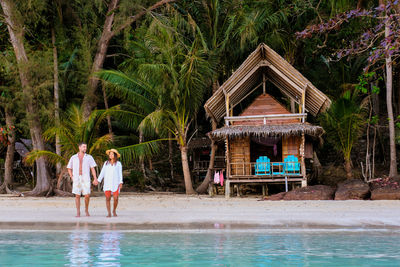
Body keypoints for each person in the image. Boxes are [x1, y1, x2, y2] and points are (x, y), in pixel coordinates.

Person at [67, 142, 98, 217]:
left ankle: (86, 210)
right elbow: (69, 168)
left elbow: (92, 168)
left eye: (86, 147)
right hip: (77, 178)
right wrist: (72, 177)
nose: (85, 148)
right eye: (84, 147)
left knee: (87, 195)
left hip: (86, 177)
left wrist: (95, 178)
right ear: (79, 147)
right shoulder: (73, 157)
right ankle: (78, 212)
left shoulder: (89, 157)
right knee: (77, 195)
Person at [97, 149, 123, 217]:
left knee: (116, 198)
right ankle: (109, 213)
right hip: (107, 183)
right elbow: (102, 172)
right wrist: (98, 180)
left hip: (115, 183)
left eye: (112, 154)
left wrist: (120, 182)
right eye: (110, 154)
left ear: (115, 155)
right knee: (108, 198)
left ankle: (114, 210)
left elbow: (120, 174)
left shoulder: (118, 164)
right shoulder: (106, 163)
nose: (111, 155)